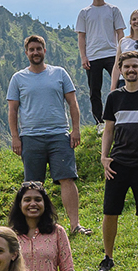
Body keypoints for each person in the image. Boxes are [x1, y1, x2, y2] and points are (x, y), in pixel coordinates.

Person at [6, 36, 87, 236]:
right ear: (26, 53)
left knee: (67, 179)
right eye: (31, 49)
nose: (35, 52)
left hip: (59, 135)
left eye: (39, 49)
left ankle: (75, 225)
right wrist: (15, 137)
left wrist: (75, 130)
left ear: (44, 50)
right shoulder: (18, 78)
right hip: (30, 137)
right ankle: (34, 228)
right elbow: (12, 110)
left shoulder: (59, 73)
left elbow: (73, 103)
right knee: (32, 184)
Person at [76, 0, 122, 122]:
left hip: (112, 54)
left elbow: (120, 33)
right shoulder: (84, 13)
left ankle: (121, 116)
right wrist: (83, 57)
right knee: (94, 91)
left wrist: (122, 53)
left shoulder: (113, 10)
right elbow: (81, 37)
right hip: (93, 56)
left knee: (120, 85)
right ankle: (99, 122)